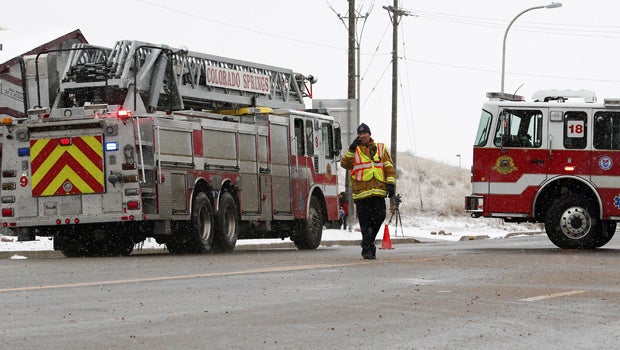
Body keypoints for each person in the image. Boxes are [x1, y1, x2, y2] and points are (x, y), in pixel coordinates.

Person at [340, 123, 396, 259]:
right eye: (360, 134)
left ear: (369, 134)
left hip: (378, 191)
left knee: (380, 216)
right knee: (365, 222)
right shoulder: (354, 150)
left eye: (364, 133)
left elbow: (388, 167)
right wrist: (352, 149)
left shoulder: (381, 148)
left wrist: (391, 183)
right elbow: (345, 164)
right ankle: (368, 249)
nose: (362, 136)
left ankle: (367, 241)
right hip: (361, 192)